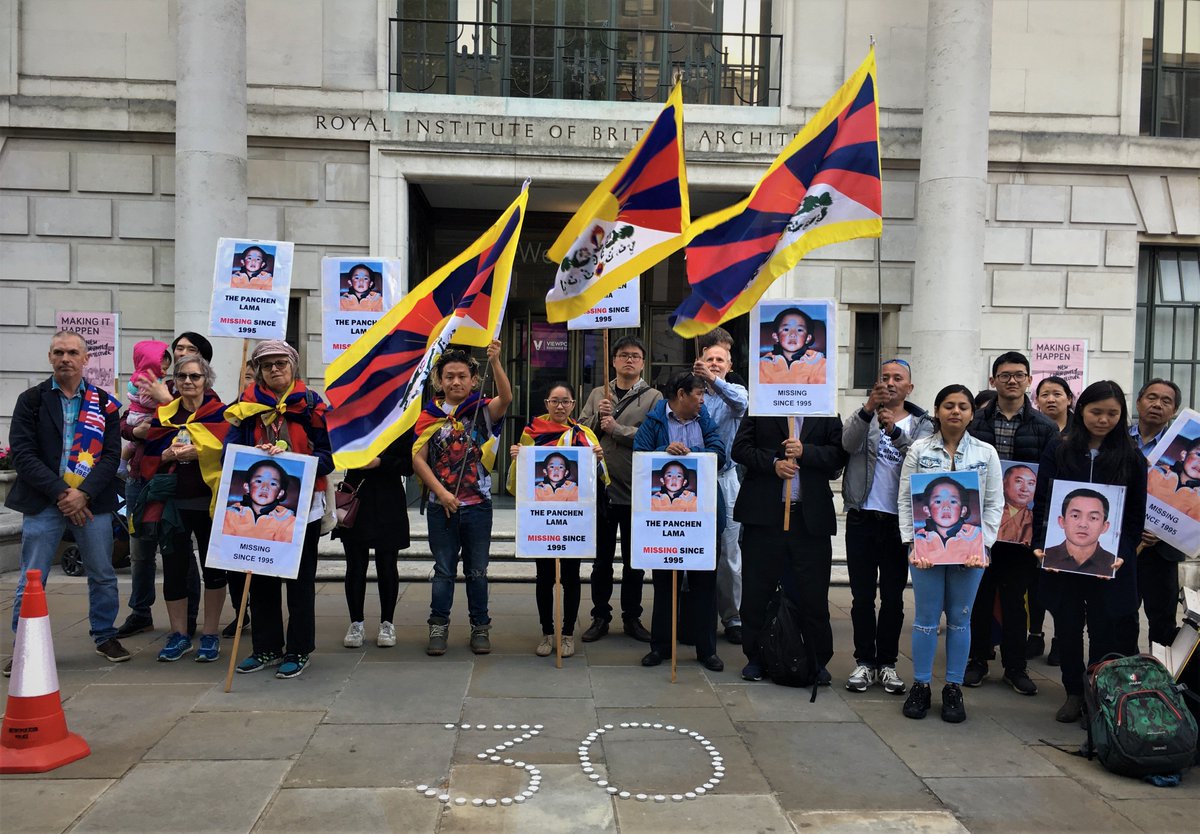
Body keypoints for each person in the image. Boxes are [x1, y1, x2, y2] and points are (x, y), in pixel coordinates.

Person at [4, 331, 129, 675]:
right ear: (49, 357)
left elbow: (111, 455)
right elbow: (23, 455)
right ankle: (25, 646)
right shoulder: (31, 400)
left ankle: (105, 636)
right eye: (58, 352)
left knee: (102, 574)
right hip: (46, 501)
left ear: (86, 359)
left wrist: (83, 494)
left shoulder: (104, 404)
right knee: (32, 577)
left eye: (73, 352)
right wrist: (63, 493)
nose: (65, 358)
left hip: (91, 502)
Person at [1032, 380, 1146, 723]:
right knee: (1066, 626)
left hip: (1108, 561)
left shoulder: (1132, 457)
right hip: (1063, 559)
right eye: (1097, 411)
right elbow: (1043, 503)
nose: (1104, 419)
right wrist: (1041, 546)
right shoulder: (1060, 447)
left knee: (1104, 628)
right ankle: (1073, 691)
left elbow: (1134, 516)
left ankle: (1097, 693)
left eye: (1112, 413)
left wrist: (1123, 551)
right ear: (1081, 409)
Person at [226, 341, 333, 680]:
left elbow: (329, 457)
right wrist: (255, 454)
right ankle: (266, 648)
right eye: (267, 364)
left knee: (299, 581)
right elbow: (229, 450)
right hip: (257, 510)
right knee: (259, 580)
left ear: (293, 366)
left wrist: (293, 462)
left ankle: (299, 649)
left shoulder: (312, 405)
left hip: (302, 509)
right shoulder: (245, 406)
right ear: (258, 370)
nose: (275, 369)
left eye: (281, 363)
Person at [898, 385, 1002, 723]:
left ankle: (953, 687)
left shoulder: (986, 453)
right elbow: (905, 500)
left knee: (960, 619)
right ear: (937, 411)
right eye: (948, 405)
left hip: (971, 554)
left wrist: (982, 546)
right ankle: (922, 686)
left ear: (972, 413)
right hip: (927, 551)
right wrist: (914, 544)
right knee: (926, 620)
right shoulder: (918, 450)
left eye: (962, 406)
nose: (955, 411)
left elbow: (993, 504)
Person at [964, 351, 1059, 697]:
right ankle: (976, 660)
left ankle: (1015, 667)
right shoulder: (974, 423)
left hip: (1023, 530)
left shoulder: (1045, 428)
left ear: (1029, 380)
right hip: (978, 524)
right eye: (1005, 375)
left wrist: (1043, 530)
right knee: (978, 595)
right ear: (993, 381)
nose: (1012, 380)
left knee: (1016, 598)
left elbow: (1049, 481)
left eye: (1019, 375)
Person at [732, 398, 846, 683]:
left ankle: (817, 659)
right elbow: (740, 449)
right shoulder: (761, 405)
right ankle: (756, 656)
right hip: (764, 517)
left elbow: (838, 455)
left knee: (813, 594)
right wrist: (773, 464)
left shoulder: (825, 409)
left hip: (809, 520)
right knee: (757, 591)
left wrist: (805, 452)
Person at [412, 342, 512, 656]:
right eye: (449, 376)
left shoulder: (482, 411)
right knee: (443, 571)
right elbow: (418, 458)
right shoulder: (428, 416)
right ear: (439, 381)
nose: (456, 382)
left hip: (478, 507)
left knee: (477, 571)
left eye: (462, 376)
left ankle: (480, 627)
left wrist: (495, 361)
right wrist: (440, 494)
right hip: (440, 508)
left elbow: (506, 398)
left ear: (472, 379)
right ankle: (438, 627)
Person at [841, 358, 933, 695]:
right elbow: (847, 444)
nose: (890, 383)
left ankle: (888, 664)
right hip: (863, 516)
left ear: (910, 387)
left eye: (898, 378)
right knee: (861, 596)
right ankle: (865, 662)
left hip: (900, 522)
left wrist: (894, 431)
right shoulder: (864, 414)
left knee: (893, 598)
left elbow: (922, 462)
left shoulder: (924, 424)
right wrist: (868, 409)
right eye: (884, 377)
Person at [132, 356, 229, 662]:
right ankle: (179, 635)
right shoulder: (164, 416)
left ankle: (211, 634)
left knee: (214, 571)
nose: (188, 382)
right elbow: (146, 460)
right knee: (174, 570)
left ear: (206, 380)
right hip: (173, 506)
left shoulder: (220, 414)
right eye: (182, 376)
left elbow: (230, 454)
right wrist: (168, 456)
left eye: (195, 376)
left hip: (209, 504)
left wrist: (200, 453)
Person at [116, 331, 212, 639]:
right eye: (178, 348)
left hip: (183, 487)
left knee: (182, 555)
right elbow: (124, 423)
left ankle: (190, 619)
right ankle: (140, 611)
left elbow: (195, 424)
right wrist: (137, 432)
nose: (182, 353)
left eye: (190, 350)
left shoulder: (196, 392)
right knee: (141, 550)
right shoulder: (153, 380)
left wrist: (166, 401)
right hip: (142, 477)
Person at [633, 372, 727, 672]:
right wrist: (663, 454)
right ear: (682, 394)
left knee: (704, 585)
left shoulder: (705, 420)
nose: (703, 399)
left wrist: (693, 454)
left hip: (702, 518)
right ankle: (659, 647)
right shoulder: (654, 421)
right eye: (699, 394)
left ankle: (706, 650)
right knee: (664, 585)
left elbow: (720, 453)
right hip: (664, 519)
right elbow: (639, 456)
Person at [507, 382, 606, 659]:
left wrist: (597, 459)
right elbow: (522, 475)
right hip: (542, 520)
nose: (560, 406)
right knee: (544, 578)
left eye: (566, 401)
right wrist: (517, 457)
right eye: (555, 401)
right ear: (546, 404)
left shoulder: (583, 434)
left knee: (572, 578)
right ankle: (547, 632)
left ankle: (566, 634)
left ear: (574, 404)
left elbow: (597, 477)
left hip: (572, 521)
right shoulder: (531, 432)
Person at [578, 336, 661, 644]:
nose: (629, 360)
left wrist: (618, 430)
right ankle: (600, 616)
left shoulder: (654, 397)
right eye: (623, 355)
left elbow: (654, 436)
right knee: (601, 561)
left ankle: (632, 617)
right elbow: (581, 432)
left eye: (635, 356)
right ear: (613, 361)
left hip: (635, 489)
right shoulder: (599, 392)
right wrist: (597, 420)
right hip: (601, 490)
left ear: (642, 362)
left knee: (633, 561)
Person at [693, 327, 748, 645]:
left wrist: (713, 381)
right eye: (709, 358)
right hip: (692, 480)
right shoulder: (692, 392)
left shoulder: (735, 394)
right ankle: (694, 614)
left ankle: (733, 616)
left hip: (725, 479)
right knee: (690, 548)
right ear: (699, 360)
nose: (714, 363)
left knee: (729, 551)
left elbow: (741, 402)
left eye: (720, 360)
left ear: (728, 366)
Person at [333, 434, 412, 650]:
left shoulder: (400, 422)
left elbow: (409, 465)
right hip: (356, 496)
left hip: (389, 499)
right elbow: (337, 452)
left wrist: (380, 462)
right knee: (355, 565)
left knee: (387, 565)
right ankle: (356, 622)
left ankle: (387, 623)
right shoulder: (356, 420)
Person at [1131, 378, 1186, 648]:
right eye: (1151, 397)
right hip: (1124, 545)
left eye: (1166, 401)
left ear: (1174, 411)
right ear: (1139, 401)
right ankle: (1118, 675)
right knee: (1121, 615)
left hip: (1163, 550)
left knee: (1162, 620)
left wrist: (1162, 531)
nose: (1157, 404)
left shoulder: (1186, 452)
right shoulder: (1116, 441)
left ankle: (1159, 679)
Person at [1028, 376, 1073, 660]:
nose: (1051, 399)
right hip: (1037, 511)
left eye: (1057, 393)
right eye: (1045, 394)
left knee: (1065, 583)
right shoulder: (1034, 427)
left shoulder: (1081, 431)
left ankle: (1061, 638)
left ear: (1069, 398)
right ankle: (1035, 634)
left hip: (1070, 515)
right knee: (1035, 580)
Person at [120, 340, 171, 473]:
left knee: (134, 445)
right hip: (140, 417)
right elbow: (144, 401)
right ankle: (121, 465)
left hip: (136, 414)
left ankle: (122, 464)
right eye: (163, 369)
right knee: (134, 444)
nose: (165, 372)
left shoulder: (142, 377)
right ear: (152, 365)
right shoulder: (149, 382)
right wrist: (162, 402)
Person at [1042, 489, 1119, 576]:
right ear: (1062, 521)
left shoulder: (1114, 564)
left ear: (1104, 526)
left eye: (1093, 518)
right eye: (1075, 516)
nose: (1083, 524)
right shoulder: (1044, 557)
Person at [911, 477, 987, 564]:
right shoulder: (920, 538)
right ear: (927, 510)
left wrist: (977, 561)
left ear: (963, 511)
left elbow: (980, 558)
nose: (946, 507)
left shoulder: (976, 535)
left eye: (953, 502)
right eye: (938, 502)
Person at [221, 460, 298, 542]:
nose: (265, 487)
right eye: (258, 481)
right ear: (247, 487)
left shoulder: (287, 521)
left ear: (280, 493)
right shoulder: (230, 514)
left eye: (273, 484)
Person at [758, 307, 826, 385]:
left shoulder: (819, 364)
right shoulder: (763, 365)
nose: (793, 335)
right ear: (776, 337)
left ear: (808, 338)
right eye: (786, 329)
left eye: (799, 330)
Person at [998, 464, 1036, 545]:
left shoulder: (1034, 519)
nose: (1025, 489)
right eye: (1019, 481)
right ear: (1003, 483)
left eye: (1031, 483)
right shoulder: (991, 511)